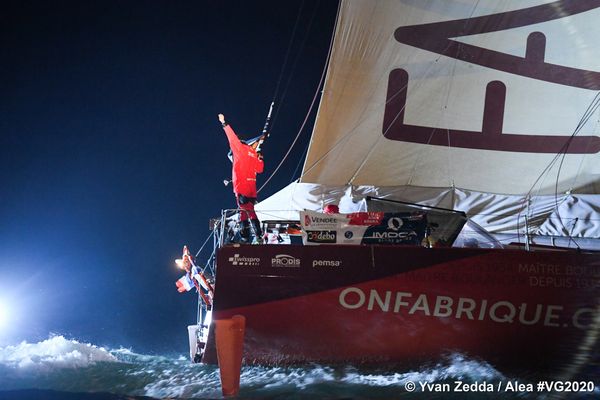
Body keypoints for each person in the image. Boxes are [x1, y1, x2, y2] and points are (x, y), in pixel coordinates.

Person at [218, 113, 264, 243]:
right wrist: (260, 158)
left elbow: (232, 138)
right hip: (252, 189)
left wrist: (224, 123)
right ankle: (249, 235)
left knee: (247, 210)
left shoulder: (239, 149)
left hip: (241, 187)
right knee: (245, 210)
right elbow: (260, 169)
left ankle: (252, 235)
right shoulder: (253, 152)